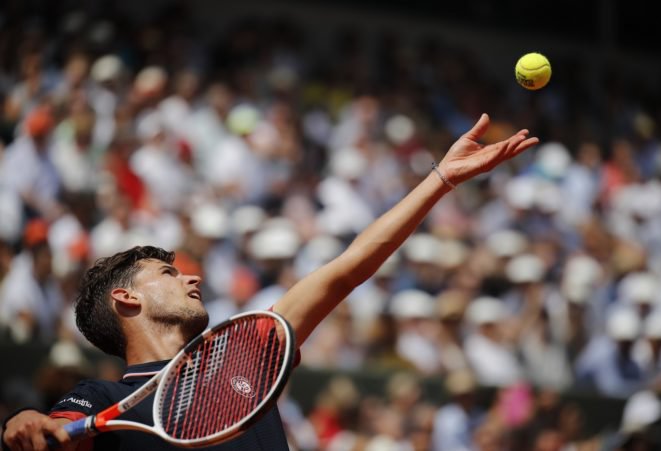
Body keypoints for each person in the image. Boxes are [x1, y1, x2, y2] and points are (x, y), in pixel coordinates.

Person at [1, 113, 538, 450]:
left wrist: (440, 180)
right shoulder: (98, 397)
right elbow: (53, 428)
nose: (192, 277)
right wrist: (26, 421)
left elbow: (346, 268)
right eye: (168, 273)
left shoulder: (246, 354)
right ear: (126, 298)